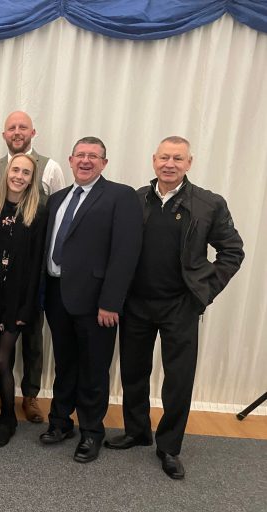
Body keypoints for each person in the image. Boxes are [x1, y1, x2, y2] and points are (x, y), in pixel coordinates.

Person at [104, 136, 244, 479]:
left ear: (189, 163)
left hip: (180, 306)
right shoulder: (133, 200)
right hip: (136, 303)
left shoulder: (209, 204)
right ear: (153, 160)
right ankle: (137, 431)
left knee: (178, 380)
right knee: (133, 373)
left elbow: (232, 251)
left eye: (177, 158)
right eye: (164, 157)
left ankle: (168, 447)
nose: (170, 164)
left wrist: (204, 292)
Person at [40, 137, 142, 463]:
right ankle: (60, 422)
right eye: (80, 155)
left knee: (94, 367)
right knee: (64, 362)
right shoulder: (56, 199)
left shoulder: (120, 196)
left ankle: (91, 432)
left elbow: (125, 253)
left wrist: (111, 301)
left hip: (97, 302)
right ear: (70, 161)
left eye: (93, 156)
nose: (86, 161)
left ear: (104, 163)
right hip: (57, 295)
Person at [0, 110, 66, 423]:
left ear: (33, 132)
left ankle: (30, 395)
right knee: (0, 330)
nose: (17, 132)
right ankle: (1, 391)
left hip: (33, 266)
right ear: (4, 134)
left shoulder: (51, 167)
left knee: (32, 335)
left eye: (23, 127)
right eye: (11, 128)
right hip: (2, 269)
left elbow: (58, 213)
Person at [0, 153, 48, 447]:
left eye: (26, 173)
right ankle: (4, 415)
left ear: (32, 179)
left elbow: (37, 267)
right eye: (15, 170)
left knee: (1, 358)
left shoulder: (38, 213)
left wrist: (27, 306)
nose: (19, 176)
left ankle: (8, 419)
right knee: (0, 361)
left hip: (19, 301)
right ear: (7, 173)